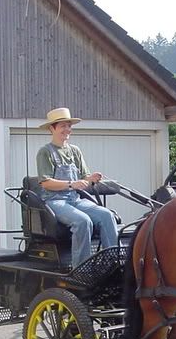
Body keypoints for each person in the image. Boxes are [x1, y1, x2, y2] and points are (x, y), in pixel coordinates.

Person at [35, 107, 118, 270]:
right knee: (83, 221)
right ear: (52, 129)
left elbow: (84, 178)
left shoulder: (75, 151)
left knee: (107, 215)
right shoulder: (45, 152)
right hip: (54, 201)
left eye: (69, 126)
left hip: (75, 199)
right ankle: (82, 268)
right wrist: (71, 184)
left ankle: (113, 263)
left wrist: (91, 178)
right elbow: (45, 183)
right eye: (62, 126)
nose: (67, 130)